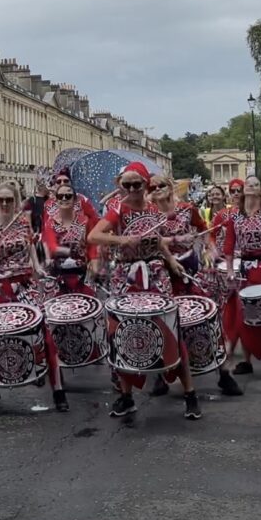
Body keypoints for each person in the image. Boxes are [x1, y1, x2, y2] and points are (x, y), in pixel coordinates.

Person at [89, 162, 202, 421]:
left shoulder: (153, 209)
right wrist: (121, 240)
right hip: (126, 276)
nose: (132, 189)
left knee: (171, 329)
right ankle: (127, 397)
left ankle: (190, 394)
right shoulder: (118, 210)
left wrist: (170, 260)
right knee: (122, 333)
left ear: (145, 185)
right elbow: (94, 236)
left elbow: (158, 239)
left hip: (155, 273)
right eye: (126, 185)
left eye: (137, 185)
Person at [0, 181, 68, 411]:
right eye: (0, 200)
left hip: (23, 284)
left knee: (45, 333)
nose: (4, 204)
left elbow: (31, 246)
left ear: (15, 202)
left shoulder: (22, 221)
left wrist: (37, 267)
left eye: (9, 200)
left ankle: (58, 390)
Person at [148, 175, 242, 397]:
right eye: (153, 187)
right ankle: (161, 376)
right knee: (162, 323)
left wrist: (210, 248)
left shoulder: (187, 208)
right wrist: (173, 243)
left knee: (207, 318)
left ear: (171, 187)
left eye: (162, 185)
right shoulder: (149, 214)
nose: (158, 189)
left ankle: (224, 373)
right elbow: (149, 241)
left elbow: (203, 230)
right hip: (164, 274)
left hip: (190, 271)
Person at [222, 175, 261, 374]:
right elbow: (229, 244)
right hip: (245, 269)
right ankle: (247, 361)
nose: (252, 186)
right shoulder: (236, 216)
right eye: (248, 184)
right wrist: (230, 269)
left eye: (256, 184)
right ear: (244, 189)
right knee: (244, 315)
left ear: (260, 190)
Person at [40, 178, 99, 293]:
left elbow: (92, 245)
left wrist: (94, 261)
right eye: (60, 196)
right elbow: (52, 247)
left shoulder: (85, 221)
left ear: (75, 199)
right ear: (56, 200)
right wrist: (72, 252)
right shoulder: (50, 223)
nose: (64, 199)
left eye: (68, 196)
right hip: (57, 275)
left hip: (81, 273)